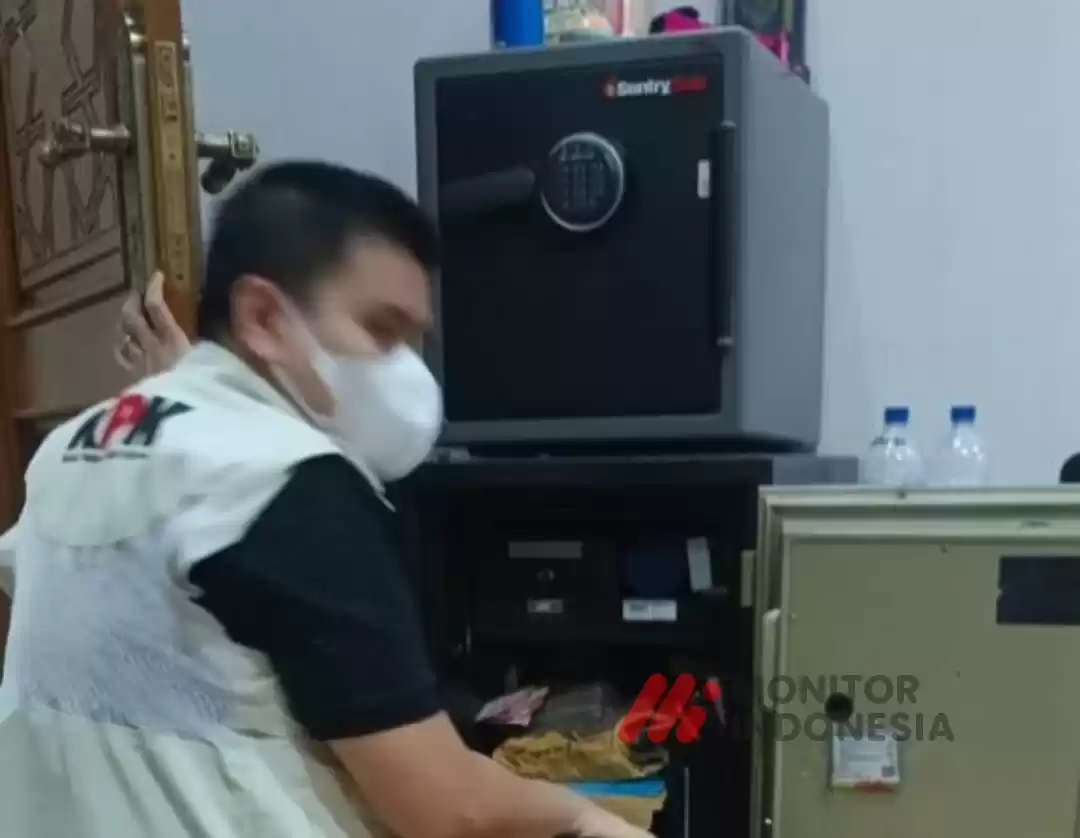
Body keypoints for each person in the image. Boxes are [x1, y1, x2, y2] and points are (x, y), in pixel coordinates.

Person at [0, 161, 653, 838]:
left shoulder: (71, 446)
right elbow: (449, 810)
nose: (406, 370)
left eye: (413, 343)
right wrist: (584, 815)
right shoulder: (284, 478)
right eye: (383, 331)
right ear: (263, 317)